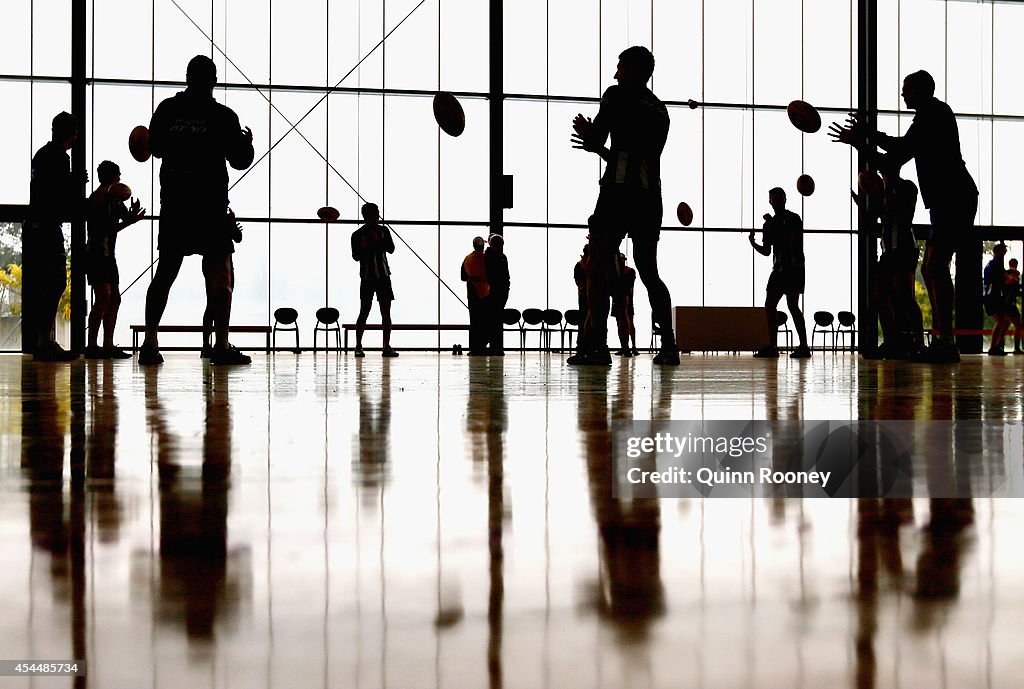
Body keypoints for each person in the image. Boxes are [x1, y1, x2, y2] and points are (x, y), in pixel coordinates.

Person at [830, 70, 979, 363]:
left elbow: (899, 149)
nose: (902, 94)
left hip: (955, 196)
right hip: (946, 200)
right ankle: (941, 340)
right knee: (931, 269)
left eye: (906, 89)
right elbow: (892, 160)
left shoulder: (934, 113)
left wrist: (866, 134)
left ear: (922, 90)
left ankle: (945, 342)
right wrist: (860, 142)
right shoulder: (927, 117)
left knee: (934, 266)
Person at [140, 55, 255, 366]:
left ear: (187, 76)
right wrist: (248, 144)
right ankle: (220, 344)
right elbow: (240, 160)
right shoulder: (223, 116)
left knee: (164, 273)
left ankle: (149, 342)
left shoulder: (167, 110)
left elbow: (156, 149)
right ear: (214, 80)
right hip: (210, 204)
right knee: (220, 273)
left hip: (175, 204)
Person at [570, 46, 679, 365]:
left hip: (616, 193)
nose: (615, 73)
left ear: (632, 70)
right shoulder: (661, 111)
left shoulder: (615, 95)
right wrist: (602, 148)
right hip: (648, 197)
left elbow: (603, 141)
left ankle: (598, 346)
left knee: (596, 265)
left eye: (619, 67)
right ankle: (669, 345)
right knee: (649, 270)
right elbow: (638, 157)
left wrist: (591, 141)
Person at [26, 111, 87, 361]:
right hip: (49, 227)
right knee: (56, 283)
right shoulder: (61, 159)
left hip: (36, 226)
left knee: (44, 284)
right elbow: (59, 195)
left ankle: (43, 340)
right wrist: (75, 183)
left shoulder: (41, 155)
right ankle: (45, 342)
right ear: (72, 134)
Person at [859, 158, 923, 359]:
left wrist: (879, 195)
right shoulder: (879, 194)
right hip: (887, 251)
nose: (884, 174)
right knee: (879, 297)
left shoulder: (907, 187)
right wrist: (865, 203)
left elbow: (906, 214)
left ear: (897, 169)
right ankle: (890, 342)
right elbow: (869, 224)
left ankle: (919, 343)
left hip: (905, 249)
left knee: (905, 297)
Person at [85, 161, 146, 359]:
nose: (120, 179)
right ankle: (92, 345)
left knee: (114, 298)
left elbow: (123, 217)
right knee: (104, 297)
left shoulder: (114, 200)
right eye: (118, 175)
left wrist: (131, 214)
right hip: (96, 253)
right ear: (111, 177)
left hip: (108, 254)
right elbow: (106, 228)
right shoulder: (97, 199)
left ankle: (107, 344)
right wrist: (130, 220)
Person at [749, 187, 811, 358]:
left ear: (784, 200)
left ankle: (801, 346)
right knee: (772, 305)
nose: (776, 201)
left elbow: (789, 239)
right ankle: (776, 346)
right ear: (770, 201)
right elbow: (768, 251)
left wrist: (771, 225)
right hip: (781, 269)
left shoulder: (792, 219)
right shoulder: (770, 224)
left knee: (790, 305)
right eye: (773, 198)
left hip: (792, 268)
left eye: (778, 198)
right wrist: (753, 243)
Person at [351, 202, 398, 358]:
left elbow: (391, 249)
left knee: (386, 312)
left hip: (383, 276)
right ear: (368, 216)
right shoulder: (357, 235)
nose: (378, 215)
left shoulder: (383, 231)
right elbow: (356, 256)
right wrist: (368, 246)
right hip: (367, 277)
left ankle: (386, 346)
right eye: (376, 213)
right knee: (364, 310)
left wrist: (378, 241)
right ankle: (358, 346)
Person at [200, 208, 243, 358]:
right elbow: (238, 237)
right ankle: (220, 344)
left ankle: (209, 345)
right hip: (223, 259)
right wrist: (232, 225)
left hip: (212, 259)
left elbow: (238, 237)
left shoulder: (206, 215)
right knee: (220, 301)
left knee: (212, 303)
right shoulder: (225, 217)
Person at [461, 236, 490, 355]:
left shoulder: (467, 259)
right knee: (485, 321)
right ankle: (482, 346)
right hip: (485, 293)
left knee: (474, 321)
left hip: (472, 294)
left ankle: (474, 348)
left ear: (473, 246)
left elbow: (463, 277)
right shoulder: (487, 258)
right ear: (483, 246)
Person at [484, 234, 510, 355]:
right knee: (494, 320)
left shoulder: (489, 257)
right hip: (496, 291)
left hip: (495, 291)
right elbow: (505, 275)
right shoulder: (498, 257)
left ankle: (493, 346)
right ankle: (494, 346)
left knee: (493, 319)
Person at [983, 243, 1009, 356]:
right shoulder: (996, 264)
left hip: (992, 295)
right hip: (993, 296)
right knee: (1001, 321)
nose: (1005, 253)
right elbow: (1006, 278)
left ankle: (997, 345)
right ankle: (994, 347)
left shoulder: (991, 264)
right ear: (997, 252)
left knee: (1004, 321)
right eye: (1003, 251)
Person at [611, 252, 637, 356]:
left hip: (626, 298)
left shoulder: (629, 271)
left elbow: (630, 287)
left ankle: (633, 346)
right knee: (619, 322)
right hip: (617, 298)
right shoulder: (615, 272)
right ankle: (623, 346)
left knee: (629, 321)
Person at [1005, 258, 1022, 354]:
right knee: (1018, 325)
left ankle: (1000, 346)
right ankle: (1016, 348)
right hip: (1009, 303)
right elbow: (1011, 282)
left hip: (1009, 303)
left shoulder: (1010, 274)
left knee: (1005, 325)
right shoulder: (1011, 274)